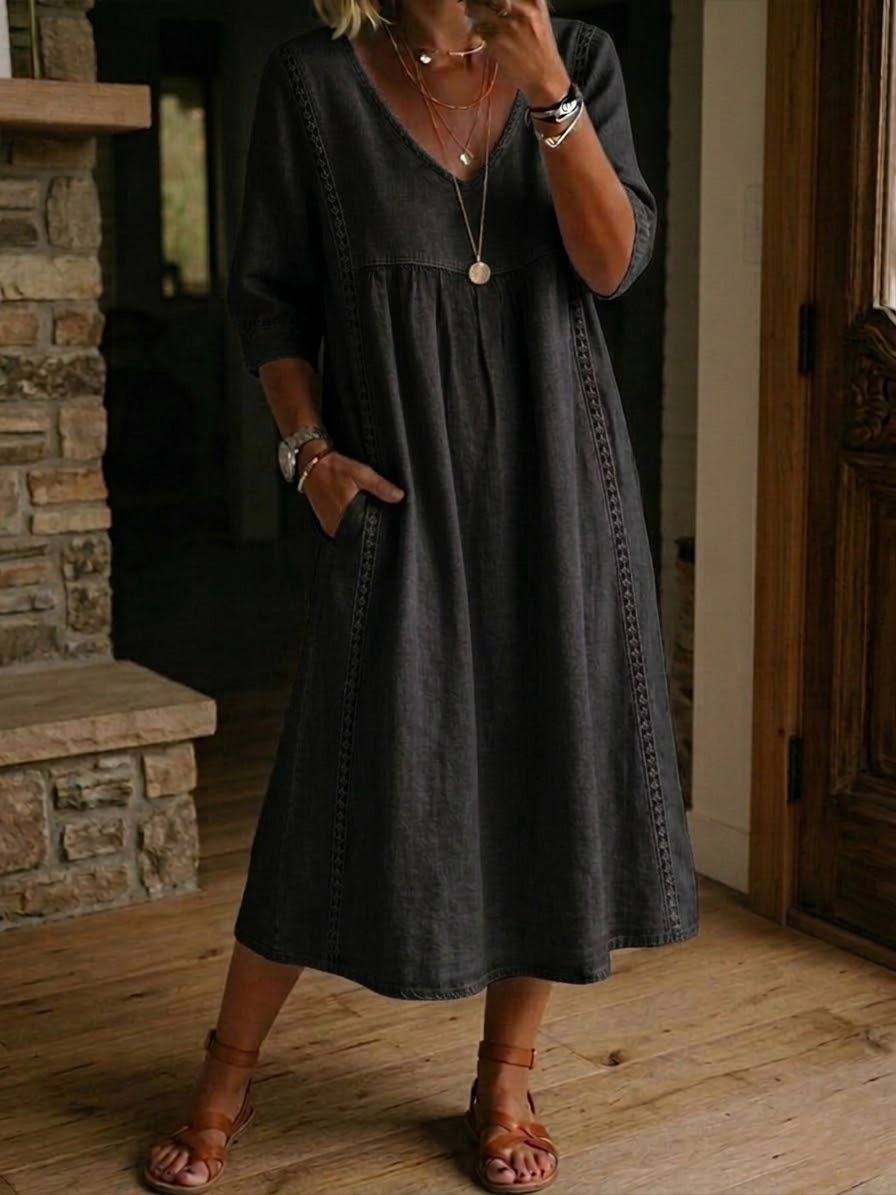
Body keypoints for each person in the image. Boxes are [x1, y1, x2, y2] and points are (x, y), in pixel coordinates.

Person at [143, 0, 699, 1190]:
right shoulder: (314, 85)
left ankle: (505, 1078)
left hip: (559, 488)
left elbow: (611, 264)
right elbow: (270, 299)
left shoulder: (579, 59)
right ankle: (227, 1068)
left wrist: (547, 92)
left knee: (547, 769)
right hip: (398, 495)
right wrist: (308, 458)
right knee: (331, 779)